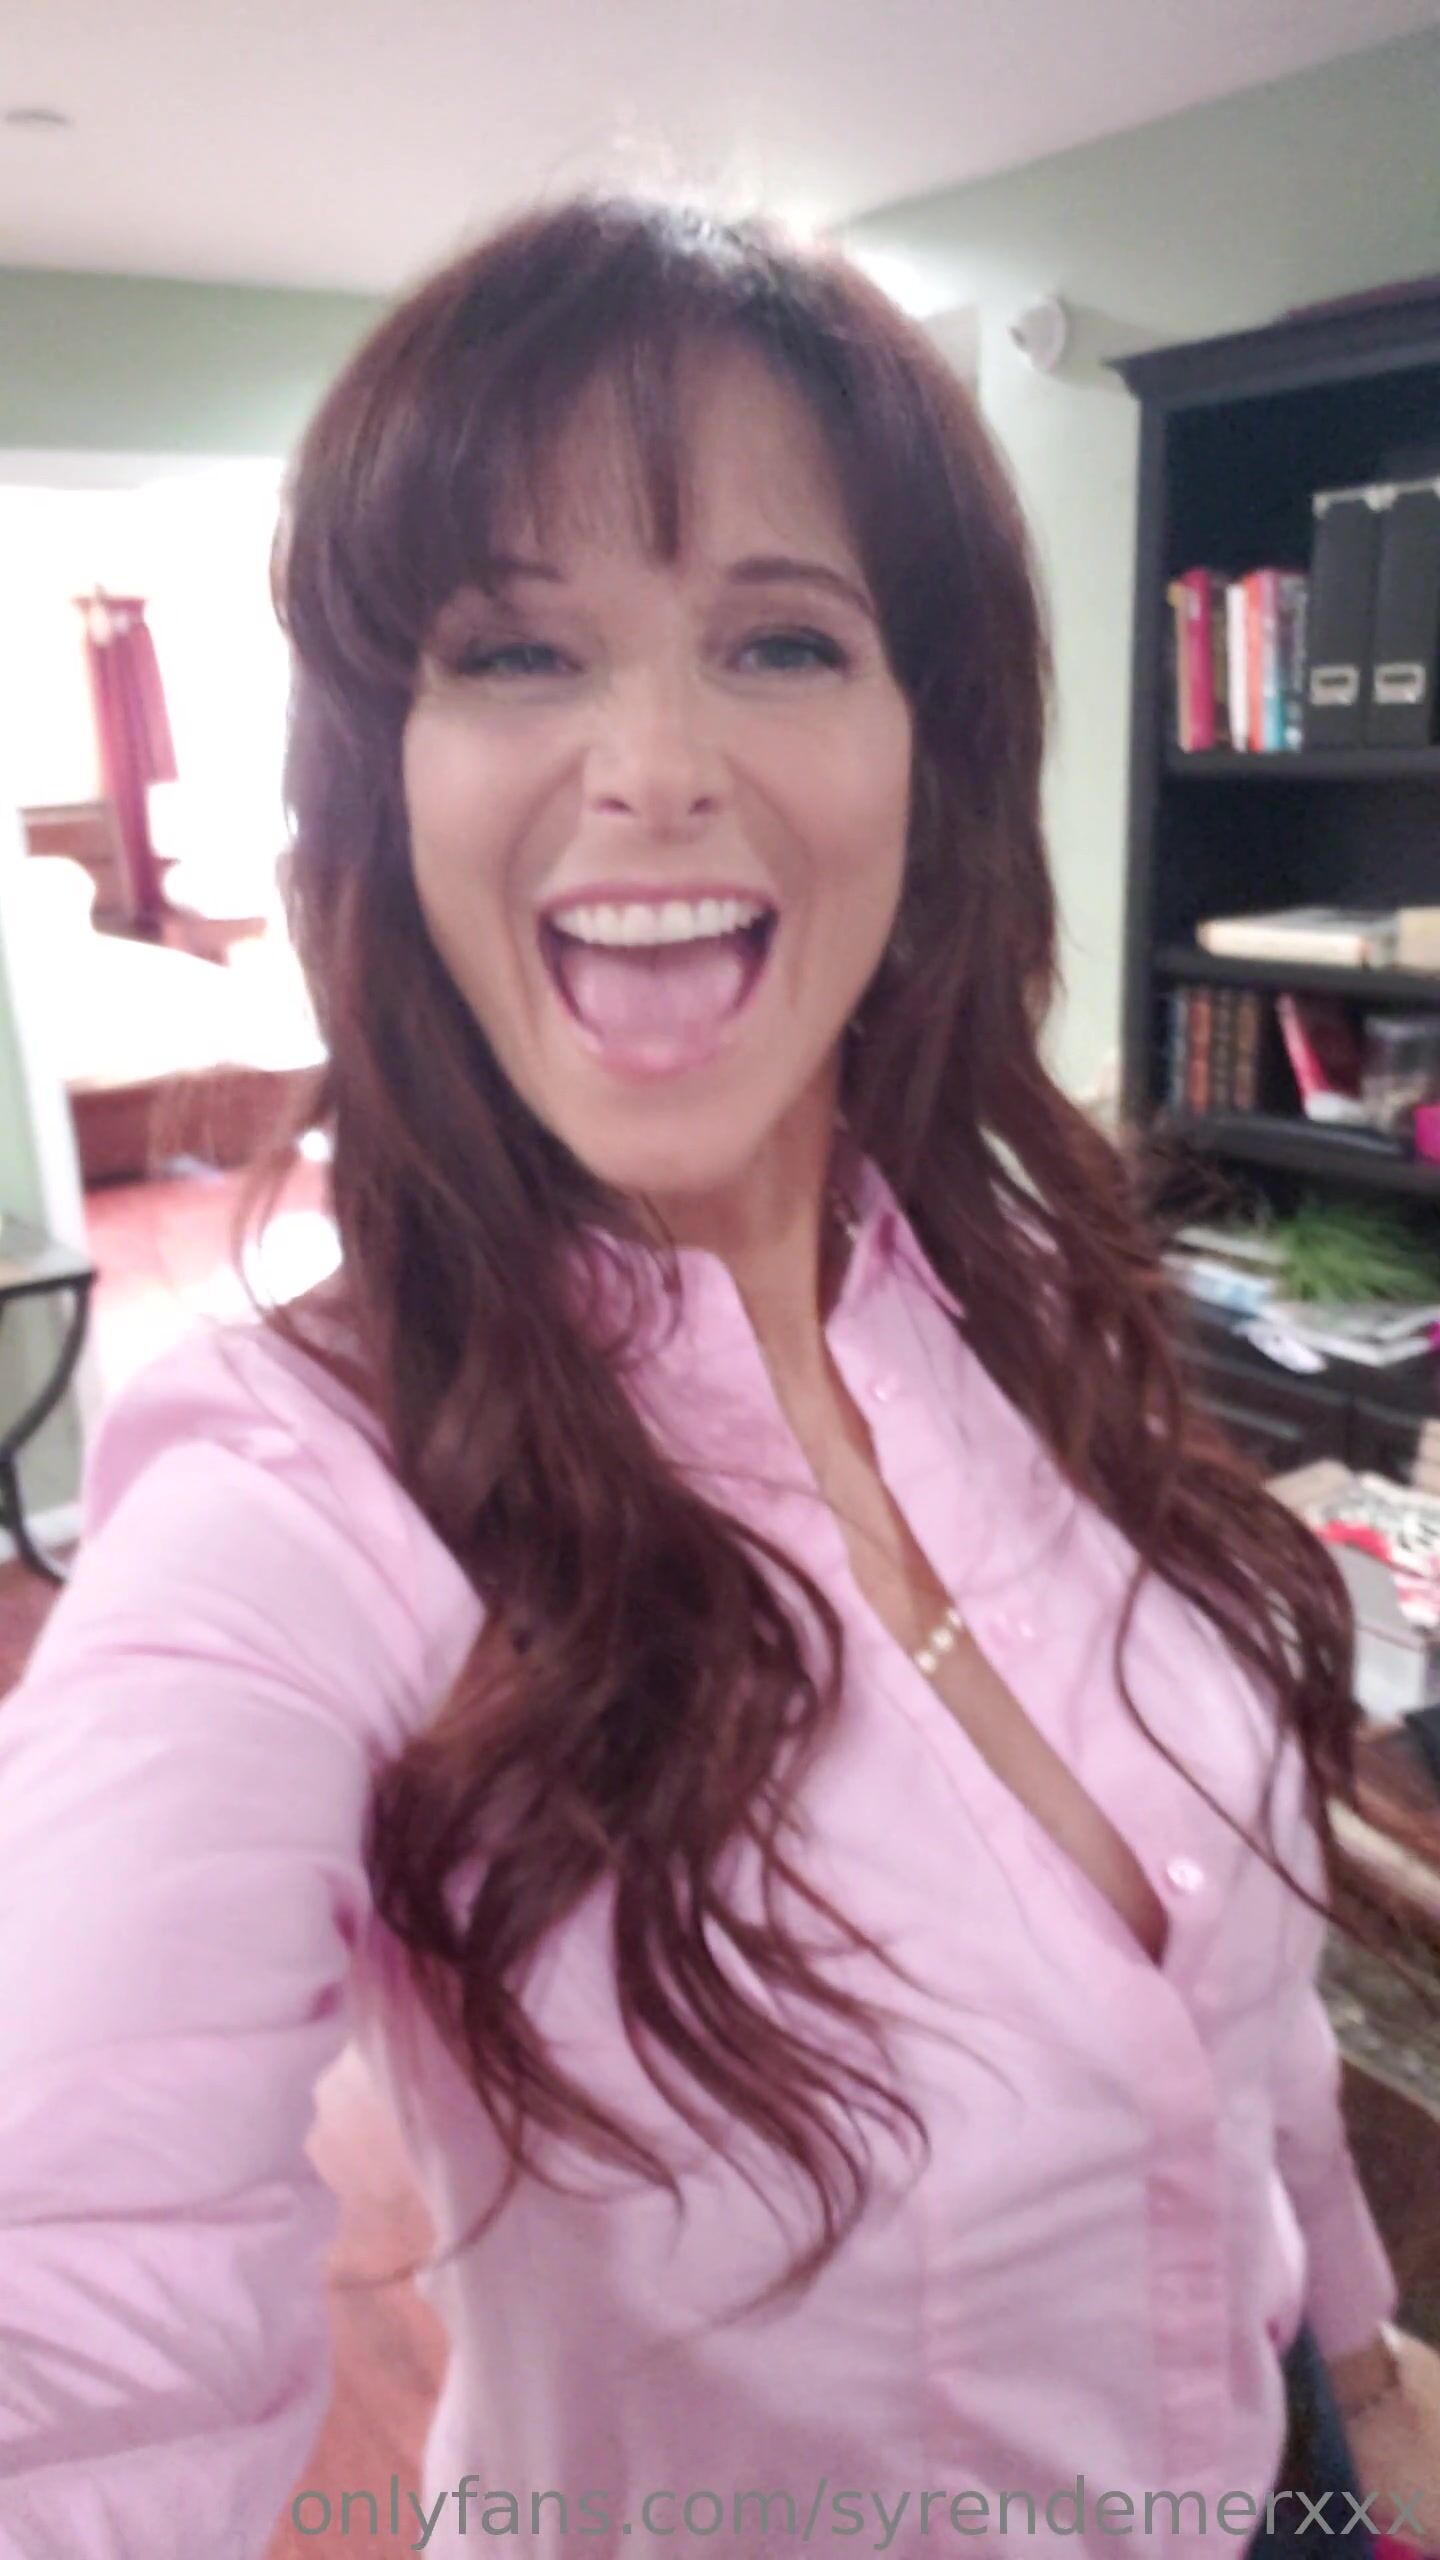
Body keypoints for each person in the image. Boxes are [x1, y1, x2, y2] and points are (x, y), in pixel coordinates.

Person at [0, 194, 1436, 2560]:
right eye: (515, 649)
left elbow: (1232, 1985)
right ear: (387, 775)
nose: (654, 766)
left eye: (780, 638)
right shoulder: (294, 1499)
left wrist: (1359, 2369)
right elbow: (71, 2300)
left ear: (925, 754)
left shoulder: (1022, 1297)